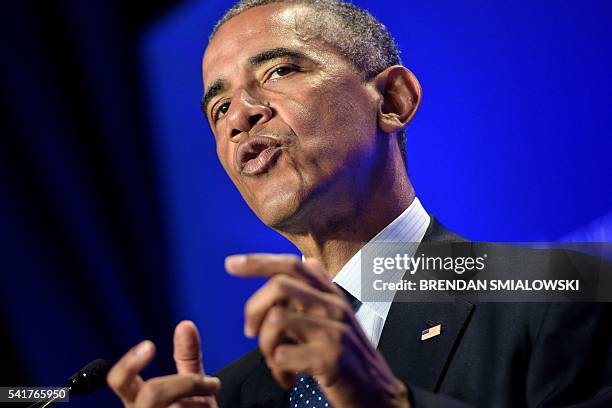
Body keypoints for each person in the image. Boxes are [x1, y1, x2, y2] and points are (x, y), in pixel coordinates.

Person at [106, 1, 612, 407]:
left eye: (280, 70)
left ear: (392, 100)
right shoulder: (234, 394)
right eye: (219, 108)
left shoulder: (560, 295)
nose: (240, 115)